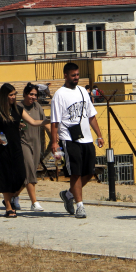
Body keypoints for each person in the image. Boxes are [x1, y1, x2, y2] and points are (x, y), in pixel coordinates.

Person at [0, 83, 50, 218]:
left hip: (16, 147)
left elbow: (33, 121)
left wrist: (50, 121)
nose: (14, 97)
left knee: (20, 175)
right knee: (5, 176)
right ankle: (9, 207)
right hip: (1, 148)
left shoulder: (17, 109)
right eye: (11, 95)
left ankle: (12, 197)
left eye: (15, 94)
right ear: (4, 96)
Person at [51, 62, 104, 219]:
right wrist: (55, 142)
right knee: (75, 173)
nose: (76, 78)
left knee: (89, 172)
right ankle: (80, 206)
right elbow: (55, 122)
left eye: (77, 75)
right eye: (73, 75)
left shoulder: (82, 91)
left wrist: (99, 135)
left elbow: (91, 115)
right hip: (69, 138)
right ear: (66, 75)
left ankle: (68, 195)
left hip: (86, 138)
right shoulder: (59, 95)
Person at [14, 83, 49, 212]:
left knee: (30, 173)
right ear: (24, 94)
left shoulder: (38, 106)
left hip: (36, 143)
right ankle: (34, 202)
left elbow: (44, 122)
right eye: (31, 94)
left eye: (35, 95)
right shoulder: (18, 107)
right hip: (22, 143)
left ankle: (13, 196)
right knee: (29, 171)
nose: (33, 97)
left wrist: (55, 136)